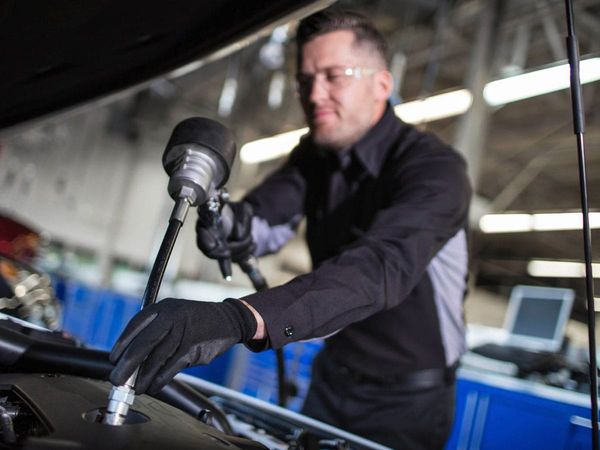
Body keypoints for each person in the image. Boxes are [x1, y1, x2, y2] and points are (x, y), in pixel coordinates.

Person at [109, 9, 471, 450]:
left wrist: (239, 317)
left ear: (381, 84)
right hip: (332, 377)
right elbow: (264, 218)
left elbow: (380, 268)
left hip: (409, 401)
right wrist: (223, 219)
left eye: (334, 76)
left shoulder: (435, 170)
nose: (314, 95)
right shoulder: (315, 155)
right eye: (305, 80)